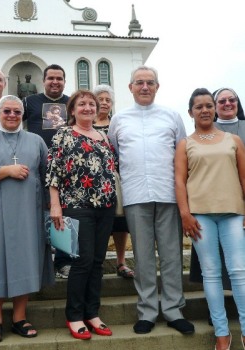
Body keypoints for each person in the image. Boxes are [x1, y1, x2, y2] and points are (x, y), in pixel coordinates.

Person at [108, 65, 194, 335]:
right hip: (135, 194)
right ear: (130, 87)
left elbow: (182, 153)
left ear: (158, 86)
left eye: (150, 83)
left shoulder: (171, 116)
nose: (145, 87)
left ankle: (173, 310)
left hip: (168, 193)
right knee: (143, 257)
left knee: (171, 255)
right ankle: (147, 311)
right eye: (139, 83)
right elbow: (115, 153)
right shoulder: (119, 119)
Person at [0, 95, 54, 343]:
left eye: (17, 112)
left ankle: (19, 317)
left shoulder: (36, 140)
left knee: (26, 260)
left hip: (30, 210)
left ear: (22, 115)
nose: (12, 115)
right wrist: (6, 170)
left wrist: (51, 206)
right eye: (6, 111)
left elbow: (47, 174)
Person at [175, 87, 245, 350]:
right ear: (191, 112)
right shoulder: (185, 144)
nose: (204, 110)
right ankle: (222, 333)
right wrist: (185, 214)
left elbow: (244, 178)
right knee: (211, 274)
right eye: (199, 107)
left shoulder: (233, 141)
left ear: (214, 109)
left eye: (208, 105)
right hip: (200, 216)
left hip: (234, 214)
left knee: (239, 272)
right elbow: (180, 182)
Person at [46, 90, 117, 340]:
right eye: (82, 104)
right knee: (82, 261)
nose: (87, 107)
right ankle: (75, 315)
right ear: (72, 110)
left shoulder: (103, 137)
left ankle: (92, 313)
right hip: (77, 206)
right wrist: (55, 205)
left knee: (97, 261)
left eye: (91, 104)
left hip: (106, 207)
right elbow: (53, 173)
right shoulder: (64, 134)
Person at [23, 64, 72, 279]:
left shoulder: (71, 103)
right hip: (37, 166)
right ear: (43, 80)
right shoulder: (30, 102)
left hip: (67, 168)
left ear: (64, 81)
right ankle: (39, 262)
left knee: (64, 215)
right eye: (51, 78)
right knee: (38, 213)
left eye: (59, 78)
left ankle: (63, 262)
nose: (55, 82)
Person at [93, 84, 133, 279]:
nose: (104, 103)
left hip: (117, 178)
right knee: (97, 223)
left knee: (120, 222)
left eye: (108, 100)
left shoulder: (117, 124)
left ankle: (121, 262)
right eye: (100, 99)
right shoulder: (86, 125)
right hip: (91, 181)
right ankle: (96, 263)